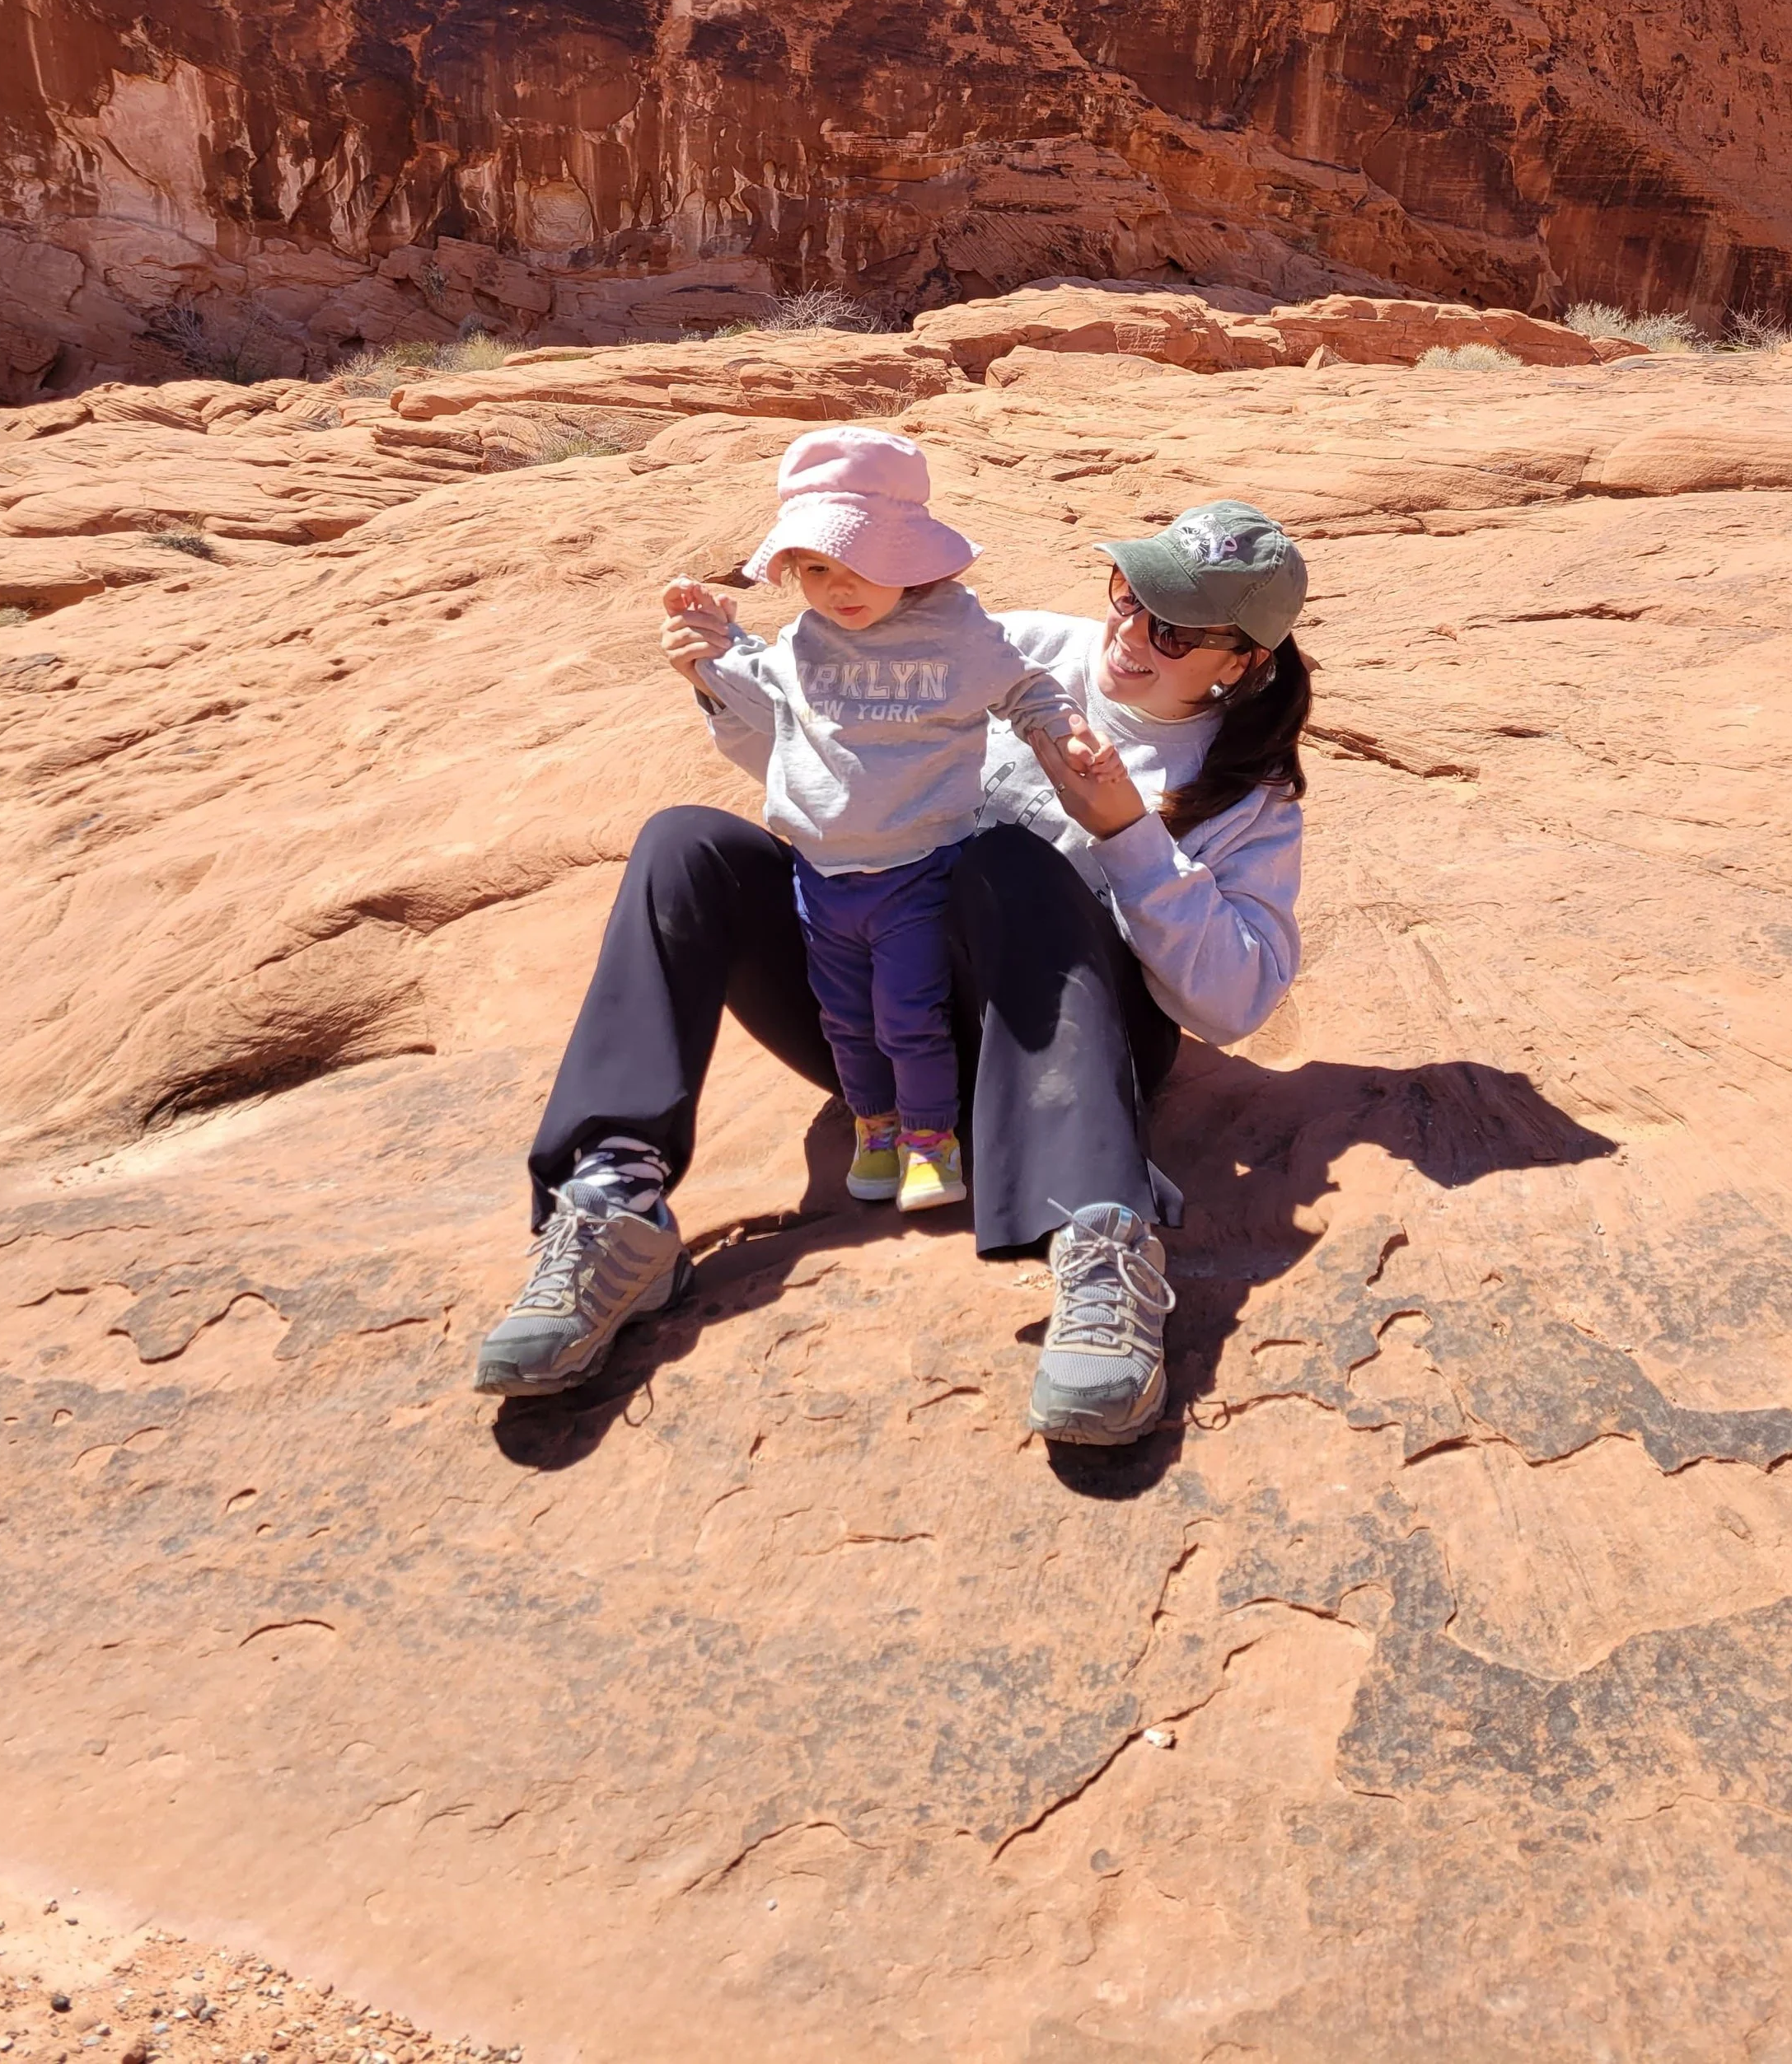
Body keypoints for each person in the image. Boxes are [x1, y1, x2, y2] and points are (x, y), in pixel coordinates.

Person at [474, 494, 1312, 1447]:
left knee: (1007, 860)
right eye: (1127, 594)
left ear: (1243, 661)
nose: (1131, 634)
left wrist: (1124, 831)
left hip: (1057, 1058)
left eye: (1174, 630)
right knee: (686, 846)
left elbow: (1237, 1000)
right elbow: (833, 771)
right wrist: (721, 683)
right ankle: (612, 1201)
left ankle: (1101, 1235)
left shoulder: (1250, 795)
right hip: (878, 1015)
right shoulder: (1021, 646)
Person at [668, 424, 1090, 1215]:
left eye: (866, 564)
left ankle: (932, 1136)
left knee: (909, 1012)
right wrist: (707, 654)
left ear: (912, 559)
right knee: (845, 1019)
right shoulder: (806, 639)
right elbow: (758, 688)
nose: (841, 588)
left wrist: (1059, 731)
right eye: (818, 567)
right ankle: (876, 1125)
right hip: (820, 874)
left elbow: (1024, 688)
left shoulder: (956, 629)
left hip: (921, 866)